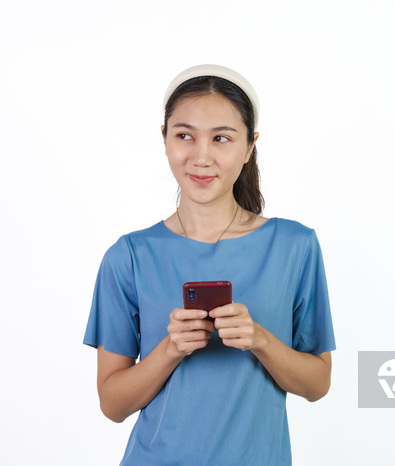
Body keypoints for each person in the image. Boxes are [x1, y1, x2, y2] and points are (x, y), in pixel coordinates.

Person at [83, 64, 336, 465]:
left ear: (250, 145)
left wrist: (261, 340)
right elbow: (112, 404)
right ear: (164, 139)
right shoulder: (128, 256)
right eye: (184, 135)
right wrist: (170, 349)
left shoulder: (295, 246)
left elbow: (318, 383)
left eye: (221, 138)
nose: (201, 157)